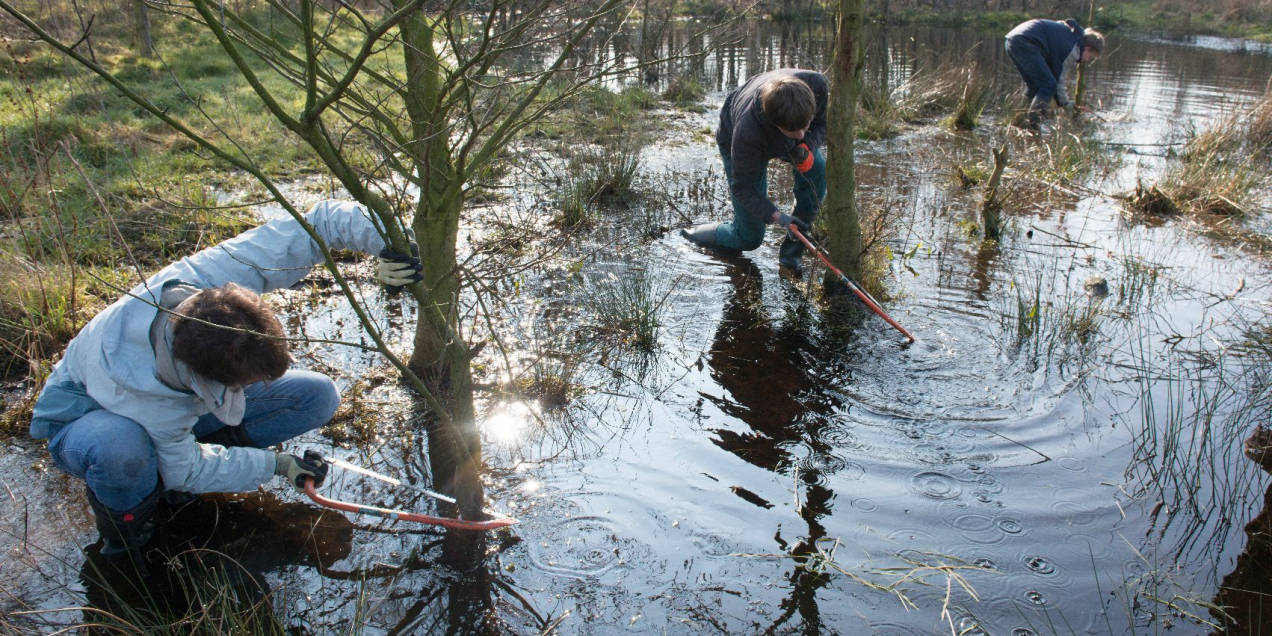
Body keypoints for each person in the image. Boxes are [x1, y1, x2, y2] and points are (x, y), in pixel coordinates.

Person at [28, 199, 423, 566]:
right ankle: (130, 529)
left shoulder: (208, 282)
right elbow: (188, 469)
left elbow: (317, 223)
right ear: (204, 380)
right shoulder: (145, 391)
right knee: (123, 451)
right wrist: (276, 464)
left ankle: (174, 470)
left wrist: (393, 245)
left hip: (172, 415)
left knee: (315, 396)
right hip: (92, 421)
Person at [682, 68, 828, 275]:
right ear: (776, 124)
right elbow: (743, 188)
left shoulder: (816, 85)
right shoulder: (746, 134)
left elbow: (823, 124)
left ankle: (791, 256)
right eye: (793, 132)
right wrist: (780, 218)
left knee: (818, 169)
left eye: (805, 126)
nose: (801, 134)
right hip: (734, 130)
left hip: (777, 125)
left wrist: (806, 145)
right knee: (749, 237)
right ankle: (693, 234)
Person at [1004, 18, 1104, 128]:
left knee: (1035, 85)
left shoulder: (1071, 33)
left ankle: (1023, 121)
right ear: (1087, 48)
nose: (1087, 60)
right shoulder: (1072, 49)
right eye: (1090, 56)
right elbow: (1058, 80)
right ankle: (1034, 124)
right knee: (1048, 84)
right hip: (1026, 42)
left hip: (1012, 40)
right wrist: (1066, 104)